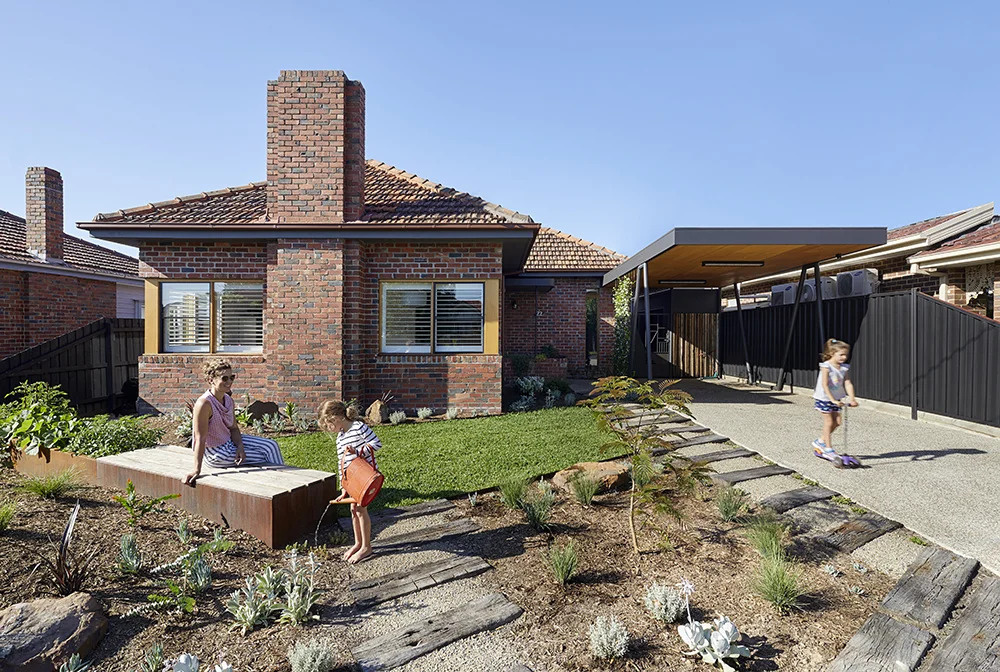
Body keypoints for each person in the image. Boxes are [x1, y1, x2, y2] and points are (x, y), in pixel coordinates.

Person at [184, 359, 284, 485]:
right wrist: (196, 470)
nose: (229, 382)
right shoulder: (204, 404)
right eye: (224, 378)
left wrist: (240, 446)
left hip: (229, 442)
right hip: (217, 453)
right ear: (211, 380)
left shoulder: (228, 400)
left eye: (232, 377)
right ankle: (281, 484)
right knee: (264, 456)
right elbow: (200, 438)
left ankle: (283, 481)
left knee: (271, 446)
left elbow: (234, 428)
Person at [318, 400, 381, 564]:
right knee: (354, 509)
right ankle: (358, 543)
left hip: (364, 477)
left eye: (328, 424)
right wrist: (343, 487)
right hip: (352, 479)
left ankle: (366, 547)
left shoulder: (358, 427)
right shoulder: (340, 438)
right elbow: (342, 463)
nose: (329, 429)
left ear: (336, 417)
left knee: (360, 509)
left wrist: (359, 451)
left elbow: (376, 443)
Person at [812, 338, 859, 466]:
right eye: (841, 355)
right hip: (825, 398)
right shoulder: (826, 366)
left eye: (846, 355)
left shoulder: (844, 368)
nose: (844, 357)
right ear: (832, 353)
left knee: (837, 422)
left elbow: (848, 383)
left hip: (837, 399)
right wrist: (832, 400)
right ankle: (828, 449)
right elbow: (825, 385)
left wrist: (852, 398)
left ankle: (820, 441)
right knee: (829, 422)